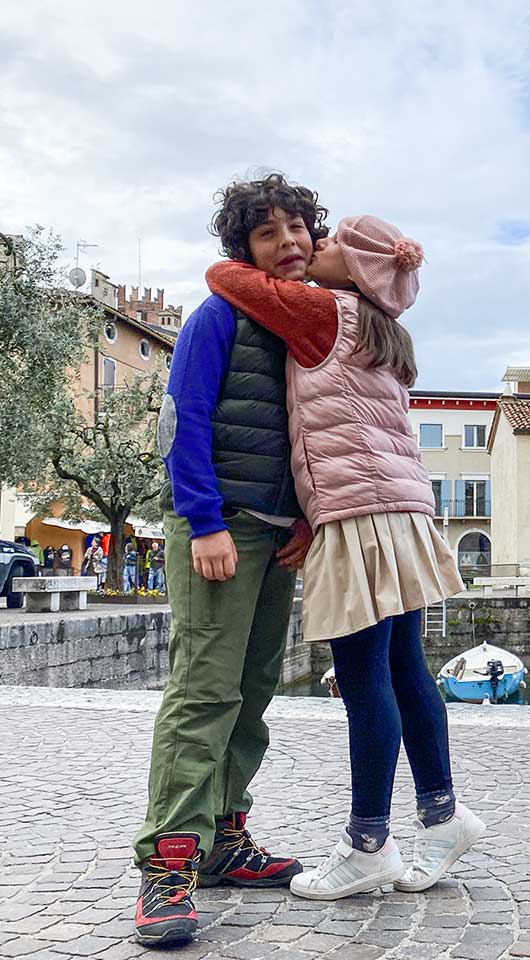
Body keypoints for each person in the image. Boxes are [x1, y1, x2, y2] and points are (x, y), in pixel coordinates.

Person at [206, 214, 479, 902]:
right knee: (405, 667)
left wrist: (278, 265)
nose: (310, 247)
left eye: (326, 243)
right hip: (403, 508)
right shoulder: (384, 324)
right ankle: (443, 818)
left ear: (353, 268)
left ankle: (368, 844)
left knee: (363, 680)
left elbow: (223, 276)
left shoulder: (324, 310)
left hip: (358, 511)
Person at [130, 174, 325, 947]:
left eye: (299, 227)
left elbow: (320, 432)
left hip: (279, 536)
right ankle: (169, 863)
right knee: (203, 693)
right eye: (268, 232)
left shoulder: (309, 326)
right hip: (220, 530)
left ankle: (223, 840)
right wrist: (204, 522)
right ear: (243, 246)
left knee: (251, 693)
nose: (289, 242)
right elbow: (184, 419)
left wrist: (310, 518)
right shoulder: (222, 315)